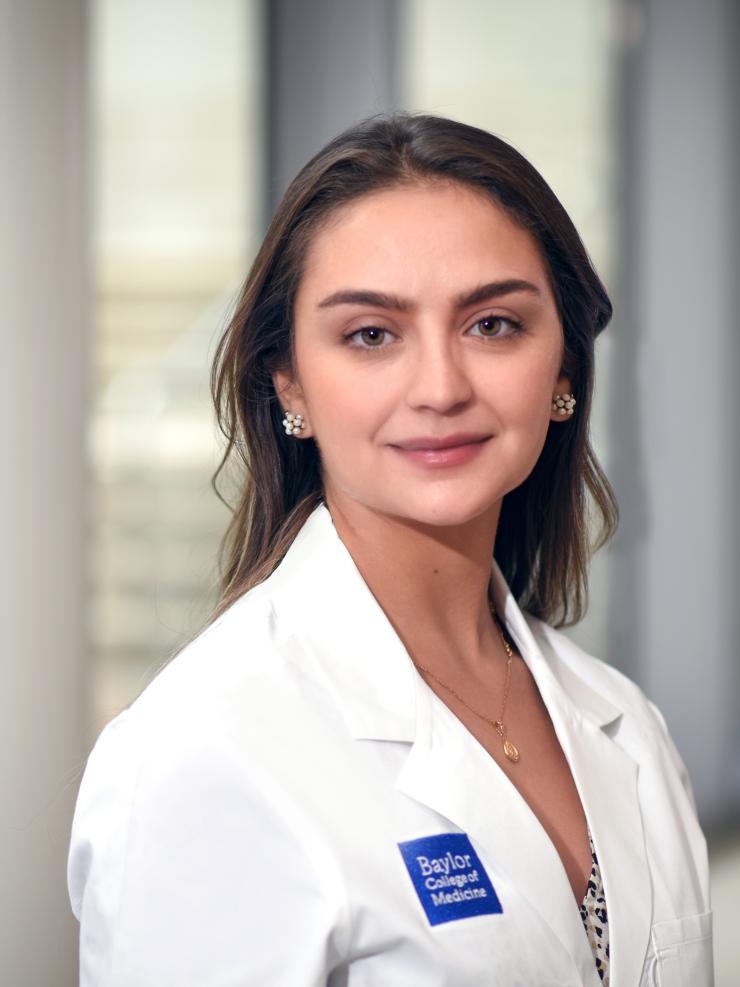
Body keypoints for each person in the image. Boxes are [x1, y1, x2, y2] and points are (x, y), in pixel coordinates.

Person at [67, 112, 713, 986]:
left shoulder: (625, 722)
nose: (441, 388)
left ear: (562, 368)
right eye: (372, 334)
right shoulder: (201, 751)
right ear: (287, 380)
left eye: (492, 325)